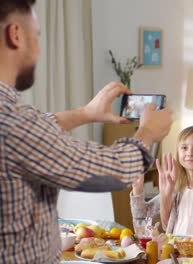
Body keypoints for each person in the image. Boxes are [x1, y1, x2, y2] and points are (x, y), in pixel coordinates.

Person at [0, 0, 173, 263]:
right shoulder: (15, 122)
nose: (38, 48)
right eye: (37, 35)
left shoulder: (14, 121)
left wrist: (85, 113)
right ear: (15, 35)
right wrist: (147, 134)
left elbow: (33, 131)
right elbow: (112, 172)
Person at [131, 126, 193, 238]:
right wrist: (137, 189)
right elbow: (141, 219)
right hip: (174, 253)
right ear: (178, 154)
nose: (190, 153)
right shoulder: (176, 186)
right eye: (184, 148)